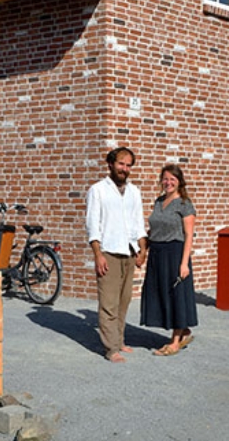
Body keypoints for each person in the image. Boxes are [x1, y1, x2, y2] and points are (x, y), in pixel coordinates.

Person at [85, 147, 148, 362]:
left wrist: (142, 250)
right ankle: (110, 348)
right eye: (121, 163)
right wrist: (98, 254)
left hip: (129, 251)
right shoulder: (98, 190)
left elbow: (138, 223)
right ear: (111, 164)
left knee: (124, 300)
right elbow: (93, 225)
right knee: (108, 302)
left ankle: (119, 340)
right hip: (108, 251)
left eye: (129, 165)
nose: (125, 169)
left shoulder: (134, 192)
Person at [140, 163, 198, 356]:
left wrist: (184, 263)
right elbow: (153, 230)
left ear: (179, 182)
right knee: (160, 293)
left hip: (175, 253)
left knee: (176, 295)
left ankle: (174, 342)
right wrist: (143, 251)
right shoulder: (158, 202)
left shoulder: (184, 204)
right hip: (157, 253)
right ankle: (183, 331)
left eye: (172, 179)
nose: (168, 182)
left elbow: (189, 235)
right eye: (165, 179)